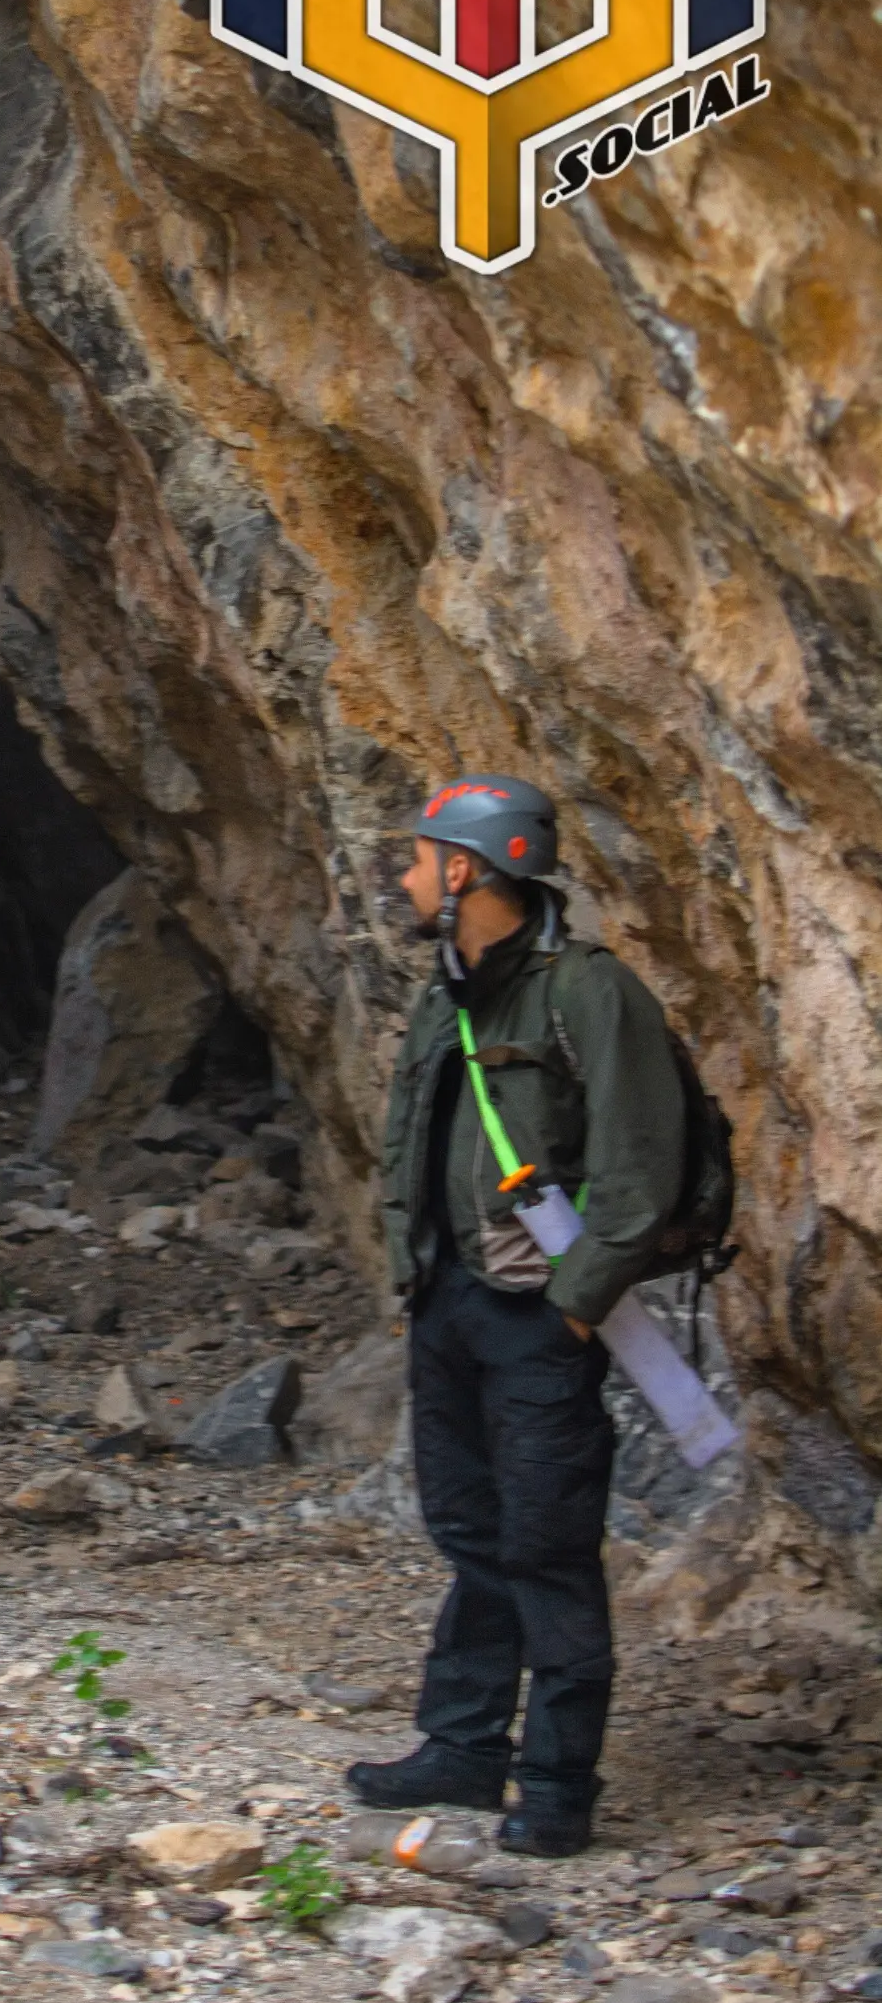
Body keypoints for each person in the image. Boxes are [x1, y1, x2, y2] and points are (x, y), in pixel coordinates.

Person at [352, 775, 685, 1857]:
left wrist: (577, 1311)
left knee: (546, 1545)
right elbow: (411, 1144)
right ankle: (460, 1746)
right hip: (450, 1304)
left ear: (465, 869)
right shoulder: (445, 993)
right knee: (469, 1532)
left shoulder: (589, 993)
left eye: (415, 859)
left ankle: (555, 1784)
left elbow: (643, 1170)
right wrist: (417, 1288)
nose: (402, 878)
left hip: (538, 1315)